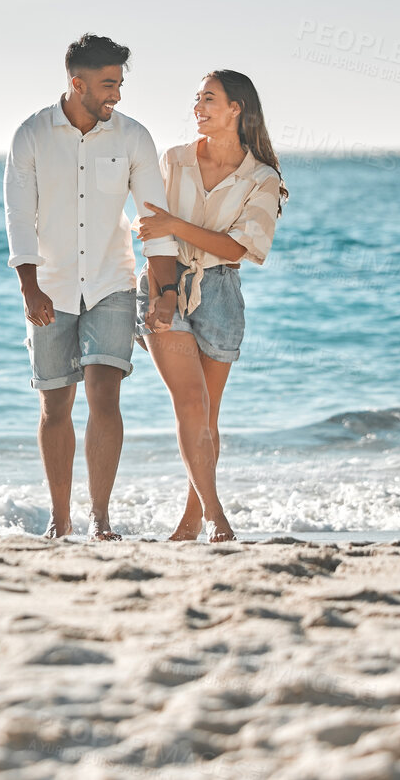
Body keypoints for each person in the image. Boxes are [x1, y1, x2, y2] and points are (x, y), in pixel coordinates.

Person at [3, 34, 179, 540]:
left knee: (105, 394)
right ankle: (61, 519)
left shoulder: (134, 138)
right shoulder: (31, 135)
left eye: (120, 84)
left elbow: (155, 221)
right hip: (51, 287)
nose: (116, 96)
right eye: (107, 85)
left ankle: (100, 519)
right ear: (76, 84)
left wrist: (164, 293)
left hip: (111, 282)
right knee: (55, 404)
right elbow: (18, 214)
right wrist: (29, 286)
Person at [133, 69, 288, 542]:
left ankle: (189, 520)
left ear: (236, 109)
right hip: (164, 282)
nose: (198, 107)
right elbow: (150, 232)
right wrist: (161, 292)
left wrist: (176, 226)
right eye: (197, 99)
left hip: (219, 293)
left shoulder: (261, 179)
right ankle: (217, 515)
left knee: (208, 416)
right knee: (190, 403)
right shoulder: (174, 160)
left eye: (209, 99)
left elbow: (238, 249)